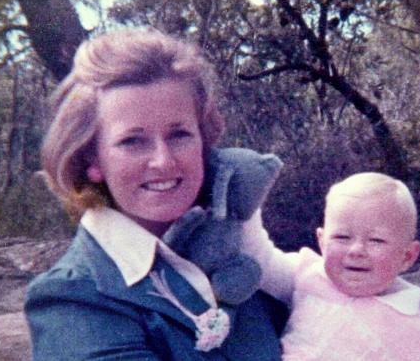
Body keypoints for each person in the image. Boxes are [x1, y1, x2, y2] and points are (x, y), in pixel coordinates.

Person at [24, 28, 286, 360]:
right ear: (91, 159)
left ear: (203, 141)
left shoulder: (239, 247)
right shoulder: (72, 299)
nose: (163, 160)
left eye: (179, 134)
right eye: (132, 141)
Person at [245, 172, 420, 361]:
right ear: (322, 242)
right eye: (342, 237)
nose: (356, 250)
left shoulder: (410, 330)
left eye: (376, 240)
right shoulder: (307, 274)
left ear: (407, 256)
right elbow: (258, 259)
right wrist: (246, 206)